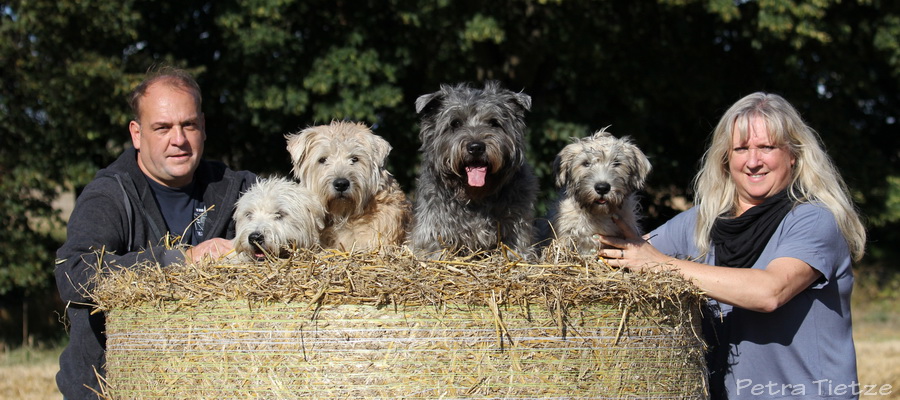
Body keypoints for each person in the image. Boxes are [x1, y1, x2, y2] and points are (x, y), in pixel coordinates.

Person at [596, 92, 866, 399]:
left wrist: (659, 264)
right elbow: (624, 254)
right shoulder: (700, 221)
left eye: (766, 147)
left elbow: (769, 292)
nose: (753, 161)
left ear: (793, 154)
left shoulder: (813, 219)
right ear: (726, 158)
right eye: (741, 149)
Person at [54, 66, 257, 399]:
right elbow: (73, 274)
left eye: (188, 125)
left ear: (203, 127)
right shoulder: (109, 195)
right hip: (114, 389)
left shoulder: (236, 189)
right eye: (162, 128)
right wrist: (181, 259)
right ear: (136, 133)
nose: (178, 139)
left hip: (212, 386)